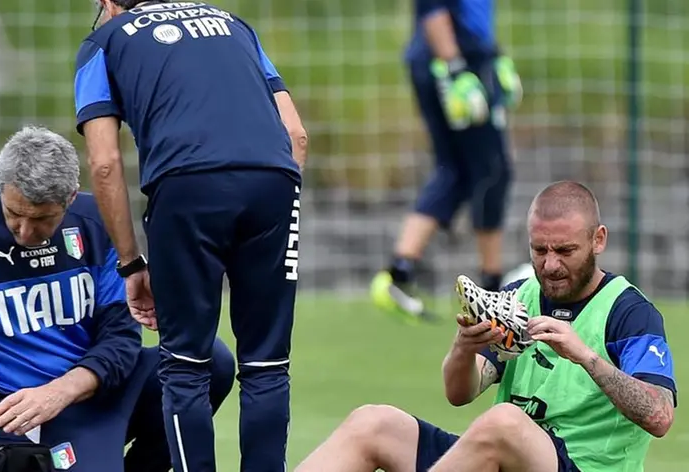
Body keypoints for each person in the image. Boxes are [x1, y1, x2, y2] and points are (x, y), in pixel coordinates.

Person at [0, 126, 236, 472]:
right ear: (1, 189)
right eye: (14, 213)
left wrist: (59, 392)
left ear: (69, 199)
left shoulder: (97, 223)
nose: (23, 230)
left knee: (208, 361)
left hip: (96, 388)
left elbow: (121, 340)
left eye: (42, 219)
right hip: (19, 417)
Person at [297, 181, 677, 472]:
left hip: (580, 465)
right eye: (539, 250)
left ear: (598, 240)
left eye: (564, 251)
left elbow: (659, 417)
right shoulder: (517, 297)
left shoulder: (629, 312)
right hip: (504, 456)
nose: (550, 265)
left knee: (505, 422)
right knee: (373, 423)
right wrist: (463, 349)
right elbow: (459, 393)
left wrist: (586, 357)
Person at [74, 1, 307, 471]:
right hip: (274, 181)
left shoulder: (103, 42)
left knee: (185, 365)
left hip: (185, 187)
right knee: (266, 365)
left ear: (107, 3)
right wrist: (275, 201)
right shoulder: (233, 24)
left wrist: (131, 264)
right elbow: (295, 134)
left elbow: (103, 162)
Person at [370, 0, 523, 320]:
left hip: (462, 57)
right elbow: (432, 7)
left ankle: (399, 275)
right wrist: (455, 69)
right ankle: (492, 291)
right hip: (451, 60)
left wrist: (495, 55)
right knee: (491, 170)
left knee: (456, 169)